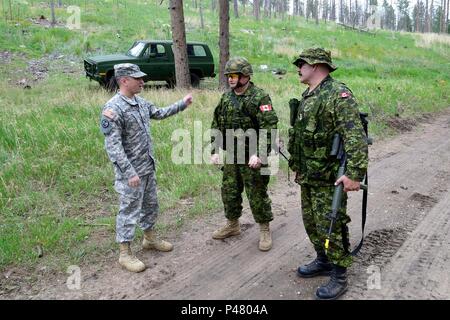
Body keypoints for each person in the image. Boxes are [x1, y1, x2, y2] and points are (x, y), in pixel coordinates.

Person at [288, 48, 368, 299]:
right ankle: (322, 260)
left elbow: (354, 137)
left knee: (331, 224)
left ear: (316, 66)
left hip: (329, 178)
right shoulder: (309, 94)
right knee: (311, 222)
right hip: (309, 175)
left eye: (302, 63)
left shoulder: (338, 95)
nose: (298, 68)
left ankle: (339, 274)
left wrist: (354, 174)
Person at [100, 63, 193, 273]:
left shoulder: (140, 102)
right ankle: (124, 253)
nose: (143, 81)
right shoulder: (113, 109)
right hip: (130, 174)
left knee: (151, 205)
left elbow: (159, 113)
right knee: (129, 210)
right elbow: (113, 147)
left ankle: (150, 239)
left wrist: (182, 104)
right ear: (124, 80)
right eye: (138, 78)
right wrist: (129, 173)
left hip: (147, 168)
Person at [210, 57, 279, 251]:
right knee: (229, 191)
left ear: (246, 76)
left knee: (256, 193)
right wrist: (215, 150)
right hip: (232, 154)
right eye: (228, 76)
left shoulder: (259, 97)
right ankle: (233, 225)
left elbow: (269, 127)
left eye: (234, 76)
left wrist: (259, 154)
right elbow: (217, 123)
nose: (230, 79)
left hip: (253, 156)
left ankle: (264, 229)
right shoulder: (226, 97)